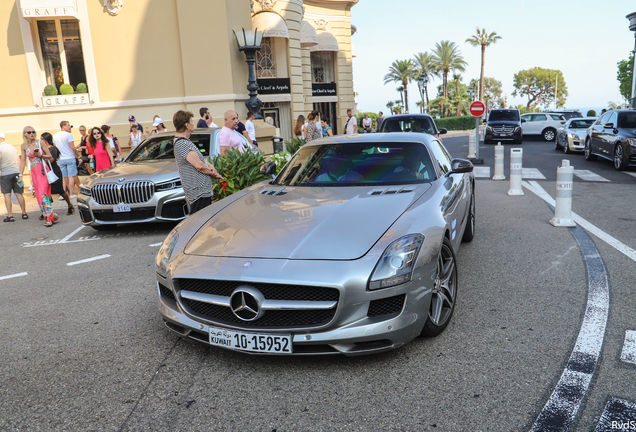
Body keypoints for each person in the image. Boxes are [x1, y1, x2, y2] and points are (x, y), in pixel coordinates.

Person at [172, 110, 223, 214]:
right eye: (191, 121)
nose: (193, 124)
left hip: (202, 193)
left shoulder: (186, 141)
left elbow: (200, 160)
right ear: (187, 125)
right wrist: (214, 173)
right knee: (199, 223)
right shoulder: (182, 143)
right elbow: (199, 165)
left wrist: (209, 165)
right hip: (198, 193)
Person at [19, 126, 58, 226]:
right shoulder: (24, 146)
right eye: (29, 132)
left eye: (33, 132)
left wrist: (41, 156)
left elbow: (49, 156)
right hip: (34, 173)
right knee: (39, 197)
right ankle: (51, 215)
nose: (32, 134)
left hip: (43, 170)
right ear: (25, 134)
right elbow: (23, 161)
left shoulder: (40, 143)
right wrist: (21, 174)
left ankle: (49, 218)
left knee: (43, 194)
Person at [40, 132, 74, 215]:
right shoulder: (42, 149)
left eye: (41, 139)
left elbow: (51, 160)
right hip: (45, 172)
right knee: (46, 191)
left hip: (54, 171)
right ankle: (47, 209)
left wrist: (41, 158)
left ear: (45, 140)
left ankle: (70, 205)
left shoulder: (53, 149)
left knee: (60, 190)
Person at [0, 132, 27, 221]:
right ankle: (24, 213)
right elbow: (18, 160)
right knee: (19, 193)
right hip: (15, 172)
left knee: (7, 194)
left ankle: (10, 215)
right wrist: (20, 173)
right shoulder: (12, 147)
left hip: (5, 174)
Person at [53, 120, 79, 199]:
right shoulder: (68, 134)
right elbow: (72, 147)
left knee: (63, 177)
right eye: (68, 125)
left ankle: (63, 193)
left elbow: (55, 148)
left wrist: (56, 157)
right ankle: (71, 194)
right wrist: (78, 157)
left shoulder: (55, 135)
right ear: (63, 126)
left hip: (61, 158)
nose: (69, 126)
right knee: (71, 176)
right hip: (70, 157)